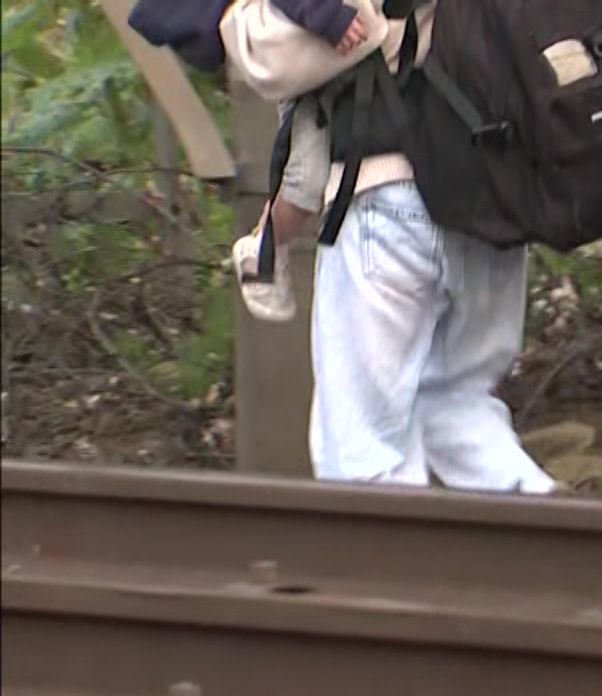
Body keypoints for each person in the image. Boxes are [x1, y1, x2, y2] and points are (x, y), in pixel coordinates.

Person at [302, 0, 558, 492]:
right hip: (496, 198)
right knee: (460, 410)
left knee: (363, 449)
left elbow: (279, 57)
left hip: (390, 192)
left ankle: (382, 548)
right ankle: (552, 535)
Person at [126, 0, 372, 322]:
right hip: (311, 47)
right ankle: (264, 248)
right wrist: (325, 15)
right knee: (306, 184)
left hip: (357, 53)